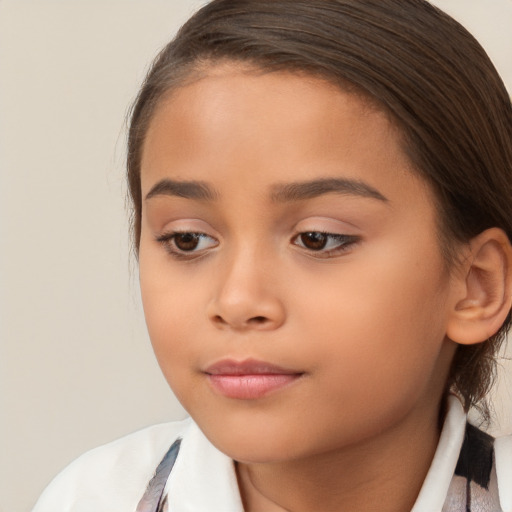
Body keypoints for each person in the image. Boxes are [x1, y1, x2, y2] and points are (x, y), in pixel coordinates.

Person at [32, 0, 512, 511]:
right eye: (188, 239)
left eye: (317, 239)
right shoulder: (95, 499)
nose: (237, 301)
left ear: (475, 286)